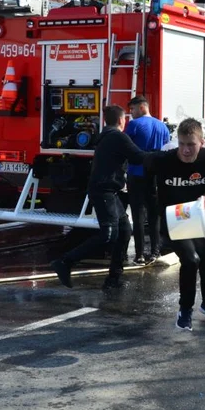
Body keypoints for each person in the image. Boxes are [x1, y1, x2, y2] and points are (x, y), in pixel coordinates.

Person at [51, 105, 147, 290]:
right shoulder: (117, 136)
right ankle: (65, 262)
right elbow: (138, 157)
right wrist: (165, 157)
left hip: (109, 191)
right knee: (108, 235)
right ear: (121, 120)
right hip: (103, 191)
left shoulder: (106, 135)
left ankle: (114, 279)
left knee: (125, 230)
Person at [153, 118, 205, 330]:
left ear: (201, 143)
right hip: (173, 218)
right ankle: (185, 309)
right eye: (182, 144)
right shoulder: (164, 160)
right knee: (191, 259)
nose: (185, 150)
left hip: (196, 215)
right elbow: (138, 160)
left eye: (191, 145)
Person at [124, 95, 170, 264]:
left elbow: (125, 146)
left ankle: (139, 254)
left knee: (137, 214)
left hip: (136, 174)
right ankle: (156, 251)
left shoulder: (134, 125)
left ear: (142, 107)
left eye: (133, 109)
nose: (131, 113)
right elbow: (166, 149)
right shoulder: (163, 127)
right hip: (156, 175)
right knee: (154, 214)